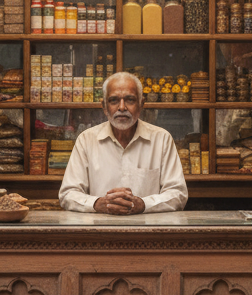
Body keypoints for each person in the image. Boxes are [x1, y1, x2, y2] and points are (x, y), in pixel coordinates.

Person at [59, 71, 188, 214]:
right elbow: (68, 194)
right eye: (114, 100)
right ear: (104, 106)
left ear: (141, 104)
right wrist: (98, 204)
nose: (121, 107)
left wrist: (143, 204)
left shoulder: (161, 139)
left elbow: (178, 194)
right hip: (99, 226)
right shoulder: (86, 140)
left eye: (130, 100)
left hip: (148, 227)